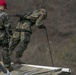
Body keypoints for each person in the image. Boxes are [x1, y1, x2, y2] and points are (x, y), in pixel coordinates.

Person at [0, 0, 13, 71]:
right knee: (5, 49)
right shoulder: (4, 15)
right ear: (1, 6)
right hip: (2, 35)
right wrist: (11, 35)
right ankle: (7, 66)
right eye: (4, 7)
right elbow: (8, 26)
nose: (4, 9)